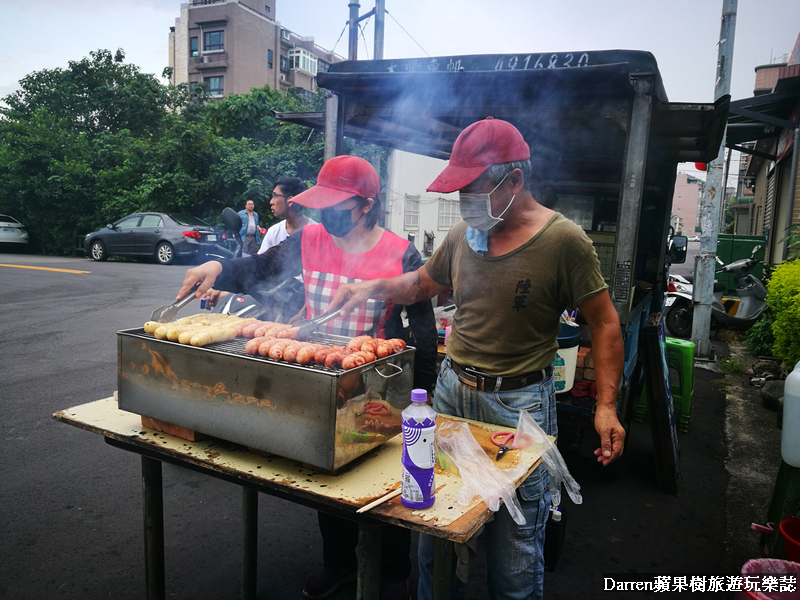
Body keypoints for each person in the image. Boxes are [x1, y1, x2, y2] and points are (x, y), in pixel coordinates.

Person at [327, 117, 626, 600]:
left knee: (514, 545)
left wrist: (606, 405)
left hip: (519, 404)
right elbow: (423, 284)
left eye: (472, 187)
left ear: (514, 181)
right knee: (434, 524)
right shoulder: (464, 233)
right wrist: (372, 286)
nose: (463, 199)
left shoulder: (564, 241)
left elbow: (606, 322)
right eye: (459, 188)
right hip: (450, 394)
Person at [176, 155, 438, 600]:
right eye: (324, 206)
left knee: (385, 482)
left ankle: (394, 570)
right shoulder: (310, 238)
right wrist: (217, 268)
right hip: (317, 375)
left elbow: (424, 331)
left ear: (366, 205)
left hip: (376, 383)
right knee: (327, 474)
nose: (327, 216)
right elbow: (259, 268)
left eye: (339, 206)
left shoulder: (400, 253)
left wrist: (423, 398)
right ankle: (338, 562)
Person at [258, 176, 316, 253]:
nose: (271, 202)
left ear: (290, 201)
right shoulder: (273, 232)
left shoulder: (317, 234)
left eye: (275, 196)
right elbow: (261, 262)